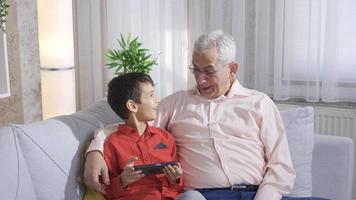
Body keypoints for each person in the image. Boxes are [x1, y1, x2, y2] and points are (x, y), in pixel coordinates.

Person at [84, 30, 324, 200]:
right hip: (205, 196)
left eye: (208, 71)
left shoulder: (259, 103)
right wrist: (95, 149)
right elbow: (133, 126)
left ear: (232, 69)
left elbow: (281, 166)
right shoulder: (176, 103)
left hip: (261, 194)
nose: (200, 79)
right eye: (195, 70)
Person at [103, 72, 184, 200]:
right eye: (151, 95)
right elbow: (106, 190)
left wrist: (176, 178)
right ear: (132, 106)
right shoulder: (112, 143)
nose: (157, 100)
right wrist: (122, 180)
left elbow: (177, 187)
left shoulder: (165, 137)